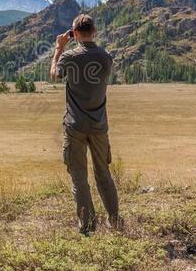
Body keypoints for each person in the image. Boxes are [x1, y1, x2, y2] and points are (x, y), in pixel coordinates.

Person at [50, 13, 122, 236]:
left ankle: (87, 225)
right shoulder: (106, 57)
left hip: (75, 126)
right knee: (104, 174)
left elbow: (54, 75)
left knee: (79, 178)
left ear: (75, 33)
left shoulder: (69, 56)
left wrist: (58, 49)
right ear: (95, 31)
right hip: (99, 125)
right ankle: (115, 221)